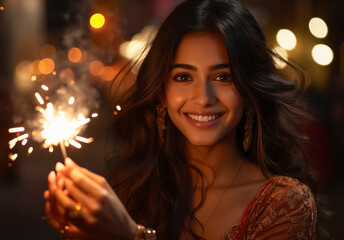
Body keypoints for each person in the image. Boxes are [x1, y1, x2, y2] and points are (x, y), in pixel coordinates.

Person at [44, 0, 318, 239]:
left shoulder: (284, 204)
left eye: (223, 77)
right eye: (184, 77)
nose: (203, 97)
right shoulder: (123, 193)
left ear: (248, 92)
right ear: (161, 94)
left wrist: (130, 235)